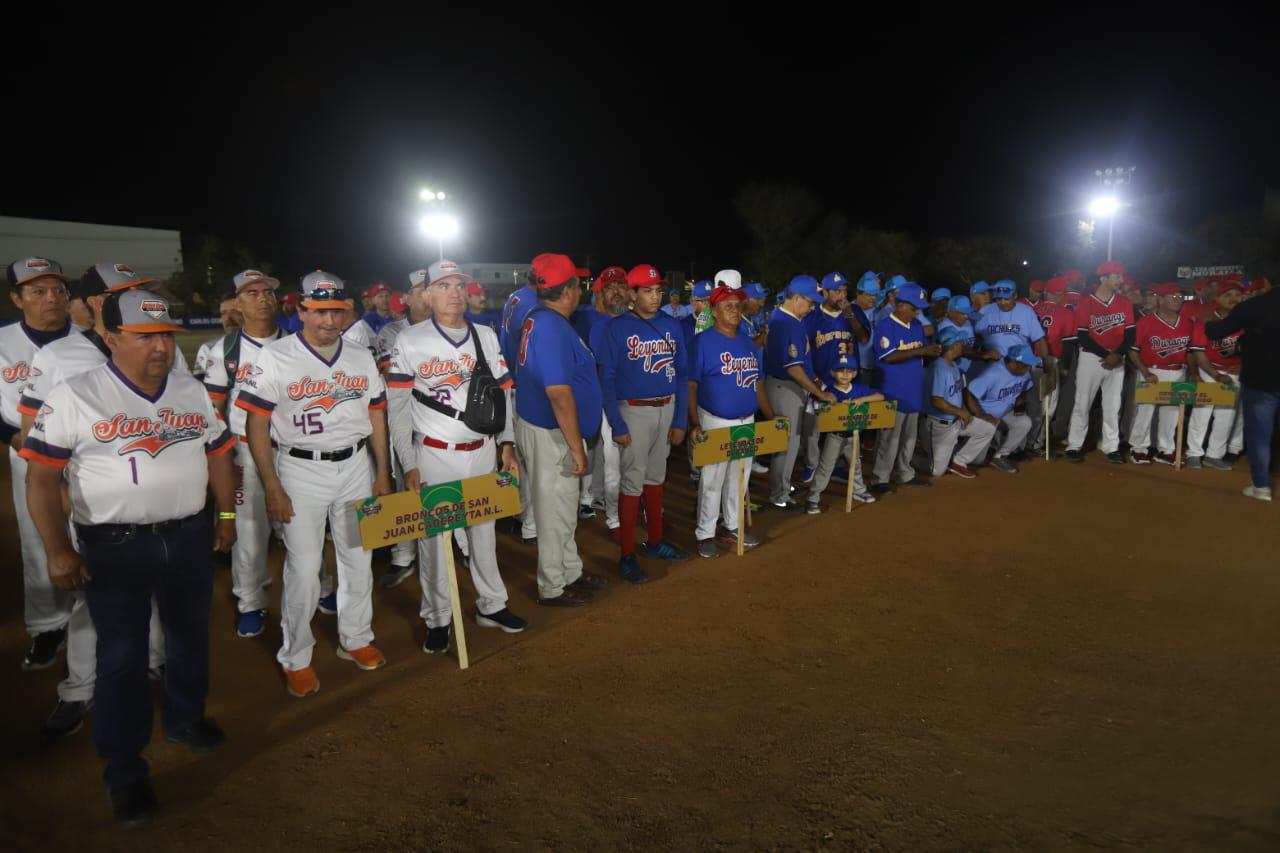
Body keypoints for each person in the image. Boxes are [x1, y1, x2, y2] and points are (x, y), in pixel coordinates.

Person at [22, 287, 236, 827]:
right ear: (111, 337)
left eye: (165, 335)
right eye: (144, 337)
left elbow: (218, 453)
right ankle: (124, 769)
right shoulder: (75, 394)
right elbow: (42, 478)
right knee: (121, 656)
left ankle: (185, 717)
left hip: (187, 534)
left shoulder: (189, 390)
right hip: (114, 545)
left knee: (190, 635)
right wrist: (56, 548)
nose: (159, 347)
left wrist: (227, 518)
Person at [18, 265, 186, 737]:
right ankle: (79, 687)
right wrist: (59, 487)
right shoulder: (60, 355)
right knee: (95, 595)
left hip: (158, 493)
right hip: (94, 496)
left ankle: (154, 660)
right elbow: (32, 431)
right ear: (95, 303)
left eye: (139, 292)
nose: (138, 299)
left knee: (160, 581)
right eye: (125, 293)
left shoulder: (163, 350)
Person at [237, 270, 393, 698]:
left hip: (356, 465)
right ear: (301, 310)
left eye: (337, 311)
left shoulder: (360, 355)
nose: (330, 320)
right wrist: (271, 484)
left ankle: (356, 638)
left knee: (359, 559)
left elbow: (377, 413)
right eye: (320, 310)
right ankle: (296, 656)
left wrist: (382, 471)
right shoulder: (274, 357)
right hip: (300, 469)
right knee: (304, 569)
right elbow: (257, 422)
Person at [385, 259, 527, 654]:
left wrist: (507, 443)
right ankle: (437, 618)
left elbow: (503, 394)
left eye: (460, 285)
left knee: (484, 534)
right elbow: (396, 407)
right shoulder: (409, 339)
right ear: (427, 295)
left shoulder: (485, 334)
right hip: (433, 453)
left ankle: (492, 605)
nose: (454, 293)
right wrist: (407, 462)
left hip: (481, 449)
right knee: (435, 542)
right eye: (444, 286)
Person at [512, 253, 608, 605]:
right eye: (578, 283)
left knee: (563, 509)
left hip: (546, 428)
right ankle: (553, 586)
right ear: (568, 289)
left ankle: (570, 571)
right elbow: (559, 393)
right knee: (554, 513)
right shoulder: (551, 326)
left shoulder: (542, 318)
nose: (581, 289)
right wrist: (577, 445)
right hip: (550, 430)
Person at [200, 270, 287, 637]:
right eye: (252, 293)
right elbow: (214, 407)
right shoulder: (225, 350)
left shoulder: (297, 343)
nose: (263, 298)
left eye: (267, 291)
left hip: (290, 447)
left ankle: (322, 586)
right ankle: (250, 601)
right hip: (245, 450)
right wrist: (221, 456)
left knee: (299, 525)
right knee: (250, 529)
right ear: (237, 303)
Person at [1, 257, 77, 672]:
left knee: (93, 533)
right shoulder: (2, 342)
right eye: (37, 291)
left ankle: (94, 618)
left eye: (57, 290)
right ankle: (49, 625)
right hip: (26, 449)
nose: (51, 298)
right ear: (17, 298)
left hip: (86, 454)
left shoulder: (91, 341)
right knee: (38, 540)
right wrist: (10, 436)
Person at [598, 263, 689, 583]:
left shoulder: (672, 325)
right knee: (632, 482)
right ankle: (626, 553)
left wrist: (680, 418)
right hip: (633, 411)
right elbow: (606, 378)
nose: (655, 295)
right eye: (647, 290)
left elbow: (681, 373)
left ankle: (655, 540)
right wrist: (617, 424)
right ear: (632, 294)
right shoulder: (616, 328)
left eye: (658, 290)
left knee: (656, 477)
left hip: (666, 407)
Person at [686, 284, 775, 558]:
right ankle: (705, 532)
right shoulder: (702, 342)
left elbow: (757, 382)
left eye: (737, 305)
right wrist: (693, 422)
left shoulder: (747, 341)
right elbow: (690, 385)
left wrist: (770, 416)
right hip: (714, 419)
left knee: (740, 477)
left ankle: (732, 526)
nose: (735, 310)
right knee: (712, 479)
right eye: (728, 306)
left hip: (745, 418)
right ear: (714, 311)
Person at [374, 270, 435, 588]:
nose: (425, 295)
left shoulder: (448, 330)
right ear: (407, 298)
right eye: (418, 290)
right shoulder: (391, 331)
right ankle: (403, 556)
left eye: (429, 288)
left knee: (443, 488)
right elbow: (391, 379)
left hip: (438, 427)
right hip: (405, 421)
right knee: (403, 488)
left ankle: (458, 549)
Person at [1204, 277, 1280, 501]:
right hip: (1262, 381)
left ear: (1267, 287)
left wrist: (1208, 321)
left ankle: (1261, 487)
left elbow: (1216, 333)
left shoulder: (1254, 305)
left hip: (1261, 382)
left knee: (1259, 436)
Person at [764, 275, 836, 511]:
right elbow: (793, 368)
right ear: (796, 299)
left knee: (787, 443)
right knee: (787, 444)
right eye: (810, 302)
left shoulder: (780, 316)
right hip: (785, 386)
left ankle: (782, 486)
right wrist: (819, 392)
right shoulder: (789, 323)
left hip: (780, 385)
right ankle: (779, 495)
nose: (812, 307)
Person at [1064, 261, 1136, 463]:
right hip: (1091, 357)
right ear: (1103, 278)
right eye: (1117, 276)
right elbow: (1083, 336)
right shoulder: (1086, 302)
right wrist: (1107, 355)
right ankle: (1074, 445)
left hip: (1117, 357)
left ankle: (1111, 446)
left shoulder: (1124, 302)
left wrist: (1117, 354)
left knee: (1113, 406)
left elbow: (1130, 334)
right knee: (1083, 403)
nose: (1120, 280)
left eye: (1121, 276)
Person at [870, 282, 939, 492]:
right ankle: (880, 478)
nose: (917, 311)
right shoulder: (885, 326)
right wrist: (922, 352)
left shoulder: (917, 326)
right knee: (889, 438)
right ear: (900, 305)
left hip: (913, 388)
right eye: (913, 306)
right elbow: (888, 357)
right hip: (893, 390)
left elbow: (919, 355)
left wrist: (927, 352)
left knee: (909, 437)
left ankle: (904, 473)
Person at [974, 279, 1048, 455]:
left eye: (1006, 299)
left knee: (1022, 408)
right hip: (992, 370)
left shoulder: (1026, 312)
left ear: (1015, 296)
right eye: (998, 299)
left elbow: (1039, 339)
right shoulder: (985, 312)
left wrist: (1046, 362)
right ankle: (992, 446)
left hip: (1019, 369)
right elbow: (974, 338)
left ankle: (1016, 448)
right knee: (993, 408)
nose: (1002, 302)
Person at [1124, 283, 1192, 465]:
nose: (1177, 300)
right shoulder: (1145, 322)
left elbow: (1192, 351)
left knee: (1171, 412)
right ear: (1160, 299)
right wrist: (1145, 373)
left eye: (1180, 296)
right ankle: (1138, 447)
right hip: (1152, 370)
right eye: (1172, 296)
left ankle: (1166, 449)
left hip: (1179, 370)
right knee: (1145, 411)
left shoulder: (1186, 322)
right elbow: (1133, 351)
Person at [805, 353, 882, 513]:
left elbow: (880, 396)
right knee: (826, 467)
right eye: (841, 371)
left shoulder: (859, 389)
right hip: (835, 436)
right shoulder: (831, 391)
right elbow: (819, 407)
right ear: (833, 373)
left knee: (856, 465)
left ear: (854, 373)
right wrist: (837, 405)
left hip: (854, 435)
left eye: (849, 371)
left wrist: (861, 400)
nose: (845, 374)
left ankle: (859, 491)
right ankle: (813, 497)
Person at [583, 266, 629, 532]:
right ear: (600, 293)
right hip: (604, 399)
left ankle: (600, 499)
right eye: (610, 287)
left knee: (616, 457)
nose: (616, 292)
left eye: (621, 286)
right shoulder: (595, 324)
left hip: (631, 398)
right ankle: (612, 513)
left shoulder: (633, 321)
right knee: (610, 458)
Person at [800, 272, 855, 482]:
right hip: (819, 379)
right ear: (824, 292)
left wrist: (849, 313)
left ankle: (833, 464)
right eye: (836, 290)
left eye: (844, 290)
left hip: (844, 379)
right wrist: (813, 378)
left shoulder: (849, 314)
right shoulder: (812, 317)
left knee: (841, 427)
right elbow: (805, 352)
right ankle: (812, 464)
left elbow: (861, 338)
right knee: (812, 428)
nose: (841, 295)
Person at [1185, 280, 1245, 471]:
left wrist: (1243, 366)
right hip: (1210, 371)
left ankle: (1214, 455)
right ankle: (1194, 453)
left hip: (1233, 372)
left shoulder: (1246, 319)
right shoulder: (1207, 318)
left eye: (1237, 295)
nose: (1233, 299)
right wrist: (1216, 375)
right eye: (1227, 295)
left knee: (1226, 416)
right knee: (1201, 413)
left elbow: (1255, 348)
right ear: (1217, 298)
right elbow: (1199, 353)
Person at [923, 327, 997, 478]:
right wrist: (960, 412)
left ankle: (959, 462)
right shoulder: (938, 367)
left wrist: (967, 412)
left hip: (956, 422)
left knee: (987, 428)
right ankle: (906, 462)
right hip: (939, 425)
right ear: (953, 346)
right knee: (936, 471)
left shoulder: (954, 365)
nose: (962, 345)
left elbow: (960, 393)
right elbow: (936, 400)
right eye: (959, 342)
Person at [963, 345, 1039, 474]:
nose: (1029, 368)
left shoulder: (1024, 372)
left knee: (1024, 422)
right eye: (1026, 365)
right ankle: (960, 445)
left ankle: (1000, 456)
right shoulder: (992, 373)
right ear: (1014, 363)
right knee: (976, 460)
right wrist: (979, 414)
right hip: (986, 416)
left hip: (1005, 413)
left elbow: (1026, 388)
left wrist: (1019, 403)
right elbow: (968, 392)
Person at [1033, 277, 1075, 450]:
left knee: (1031, 403)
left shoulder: (1031, 309)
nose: (1061, 296)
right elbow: (1068, 344)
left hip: (1026, 362)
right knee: (1048, 405)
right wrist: (1065, 367)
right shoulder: (1065, 312)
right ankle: (1037, 442)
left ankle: (1025, 442)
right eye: (1061, 293)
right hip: (1048, 361)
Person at [193, 295, 242, 381]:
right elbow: (199, 386)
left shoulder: (265, 346)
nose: (228, 318)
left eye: (234, 312)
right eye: (223, 313)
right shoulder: (209, 348)